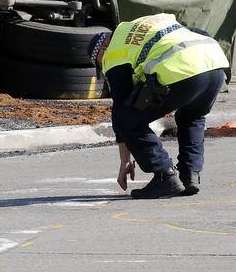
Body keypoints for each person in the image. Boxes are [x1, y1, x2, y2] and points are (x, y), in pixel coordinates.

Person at [89, 13, 229, 199]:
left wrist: (125, 160)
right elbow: (196, 31)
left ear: (102, 49)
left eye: (98, 62)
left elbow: (121, 110)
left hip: (183, 69)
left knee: (127, 120)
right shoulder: (140, 26)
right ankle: (189, 175)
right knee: (191, 116)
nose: (103, 68)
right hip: (214, 63)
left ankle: (165, 176)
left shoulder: (113, 52)